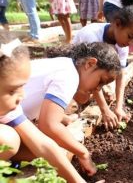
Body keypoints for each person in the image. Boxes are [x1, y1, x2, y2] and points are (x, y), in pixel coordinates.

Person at [20, 42, 121, 177]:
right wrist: (82, 152)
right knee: (53, 149)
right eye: (101, 81)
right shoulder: (69, 76)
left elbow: (38, 102)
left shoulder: (66, 65)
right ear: (90, 64)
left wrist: (63, 118)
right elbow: (48, 125)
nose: (98, 89)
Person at [0, 37, 85, 182]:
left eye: (23, 87)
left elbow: (43, 145)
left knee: (34, 148)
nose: (22, 95)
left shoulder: (10, 110)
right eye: (13, 90)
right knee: (7, 140)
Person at [73, 0, 133, 129]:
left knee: (109, 94)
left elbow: (120, 75)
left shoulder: (122, 43)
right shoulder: (92, 36)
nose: (131, 43)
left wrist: (119, 107)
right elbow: (89, 75)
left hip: (93, 73)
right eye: (130, 37)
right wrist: (105, 110)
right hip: (76, 71)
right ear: (117, 24)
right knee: (80, 99)